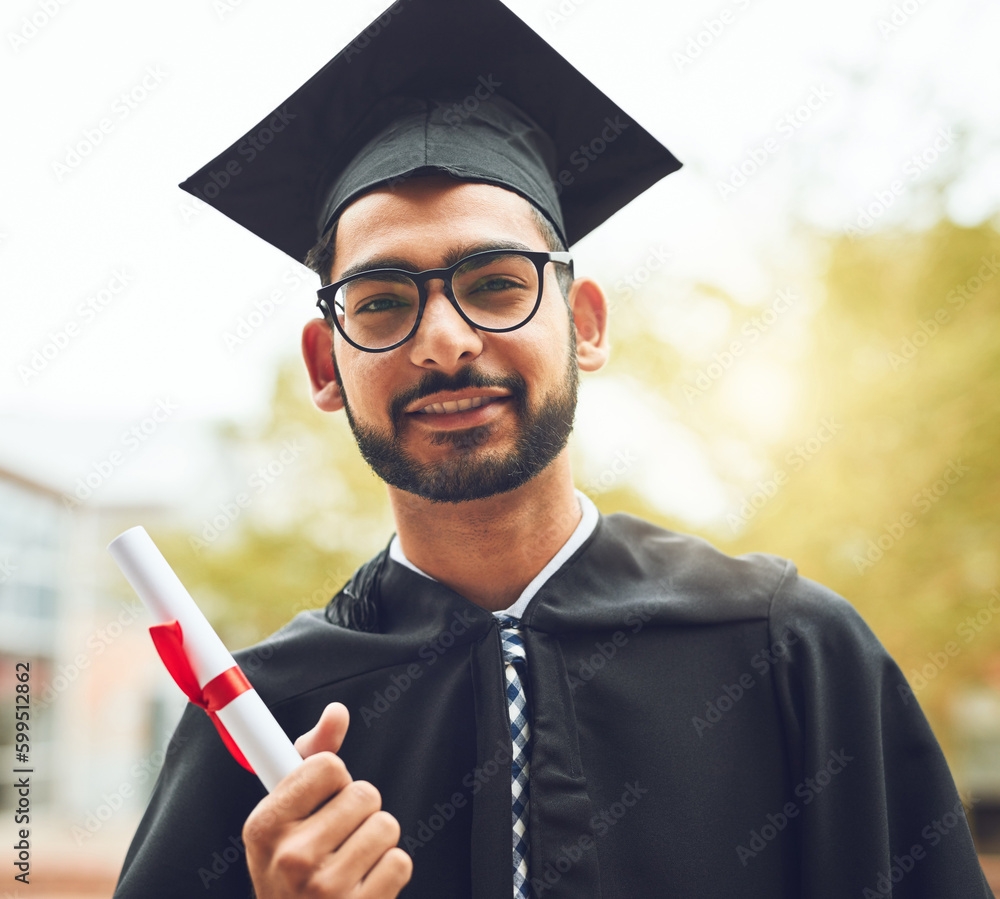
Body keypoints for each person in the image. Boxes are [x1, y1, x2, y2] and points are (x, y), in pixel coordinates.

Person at [114, 0, 994, 896]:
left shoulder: (791, 653)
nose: (445, 340)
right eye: (381, 301)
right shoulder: (259, 726)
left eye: (495, 284)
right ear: (325, 363)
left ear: (584, 324)